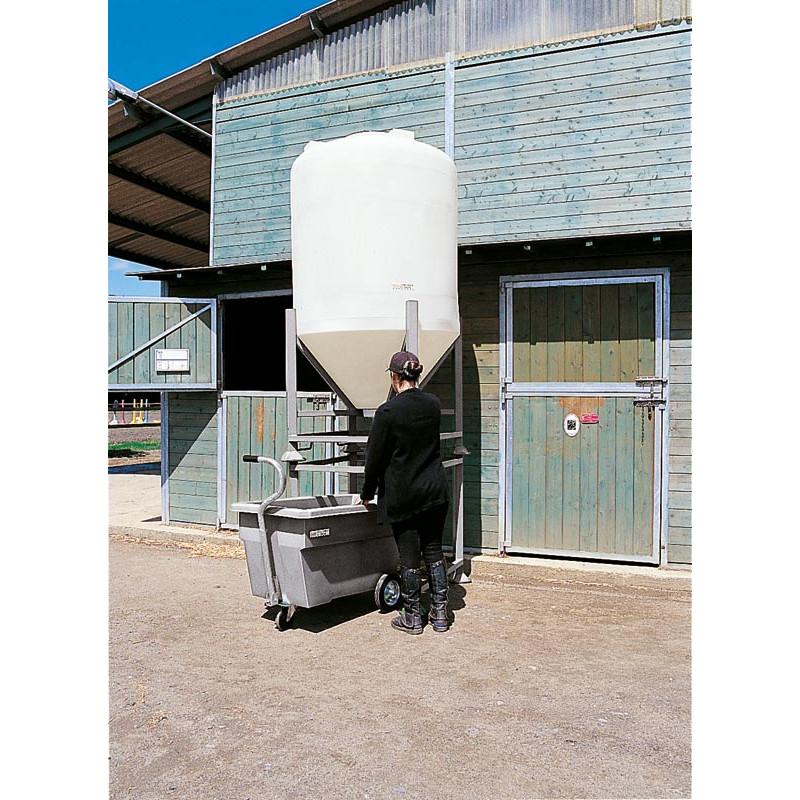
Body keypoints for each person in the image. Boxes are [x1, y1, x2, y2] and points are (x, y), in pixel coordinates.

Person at [359, 351, 450, 634]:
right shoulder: (433, 404)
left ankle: (412, 617)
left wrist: (367, 492)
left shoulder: (387, 412)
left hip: (404, 494)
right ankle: (440, 614)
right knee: (434, 551)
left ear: (394, 377)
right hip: (435, 490)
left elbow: (374, 458)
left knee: (409, 557)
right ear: (417, 375)